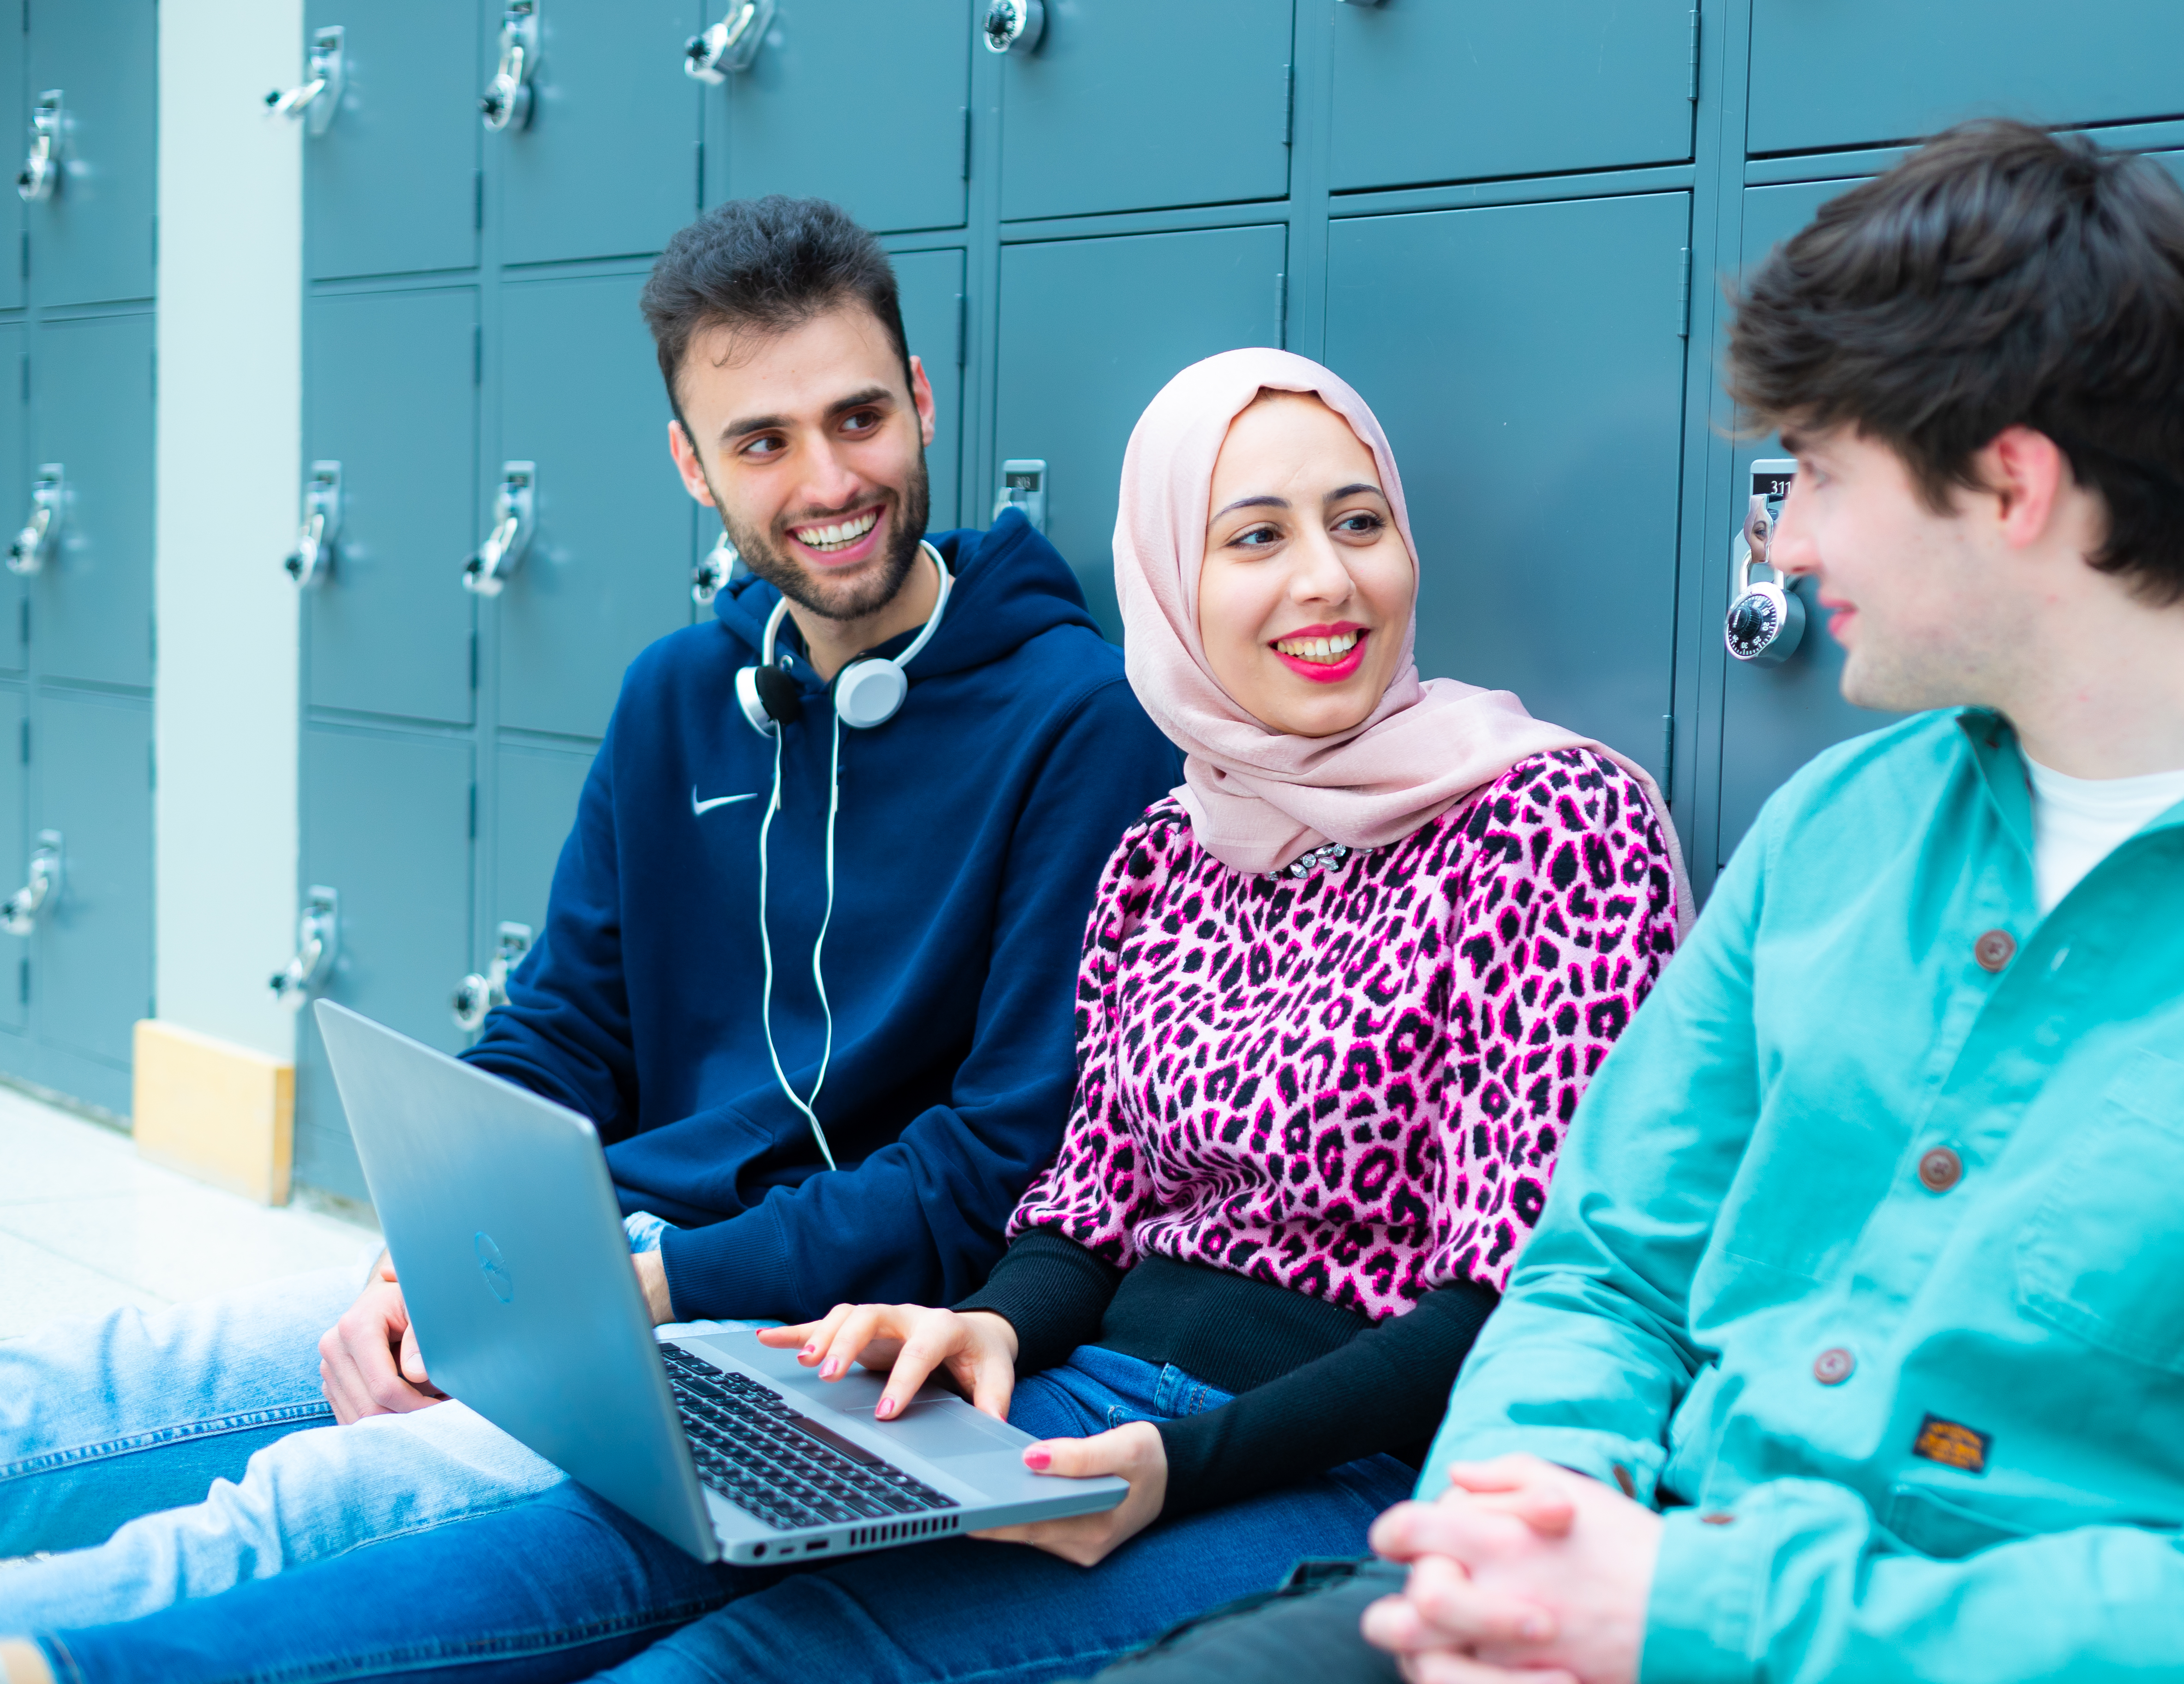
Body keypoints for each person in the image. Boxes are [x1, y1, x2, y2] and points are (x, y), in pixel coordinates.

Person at [1083, 121, 2184, 1684]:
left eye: (1823, 474)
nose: (1786, 540)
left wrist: (1688, 1615)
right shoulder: (1840, 827)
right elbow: (1604, 1272)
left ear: (2012, 484)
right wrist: (1529, 1530)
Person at [4, 349, 1691, 1684]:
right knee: (601, 1536)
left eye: (1357, 521)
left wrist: (1176, 1465)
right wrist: (995, 1335)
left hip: (1334, 1464)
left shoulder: (1551, 823)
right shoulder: (1176, 849)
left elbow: (1528, 1304)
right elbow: (1081, 1207)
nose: (1321, 581)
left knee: (729, 1662)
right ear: (1177, 580)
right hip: (1081, 1390)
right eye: (1253, 538)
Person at [0, 195, 1180, 1643]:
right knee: (100, 1389)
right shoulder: (678, 696)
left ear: (923, 404)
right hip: (593, 1275)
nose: (830, 479)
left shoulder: (1083, 721)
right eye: (762, 442)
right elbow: (562, 1024)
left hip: (805, 1330)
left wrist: (654, 1285)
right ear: (693, 466)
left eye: (860, 417)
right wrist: (427, 1256)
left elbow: (995, 1164)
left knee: (296, 1521)